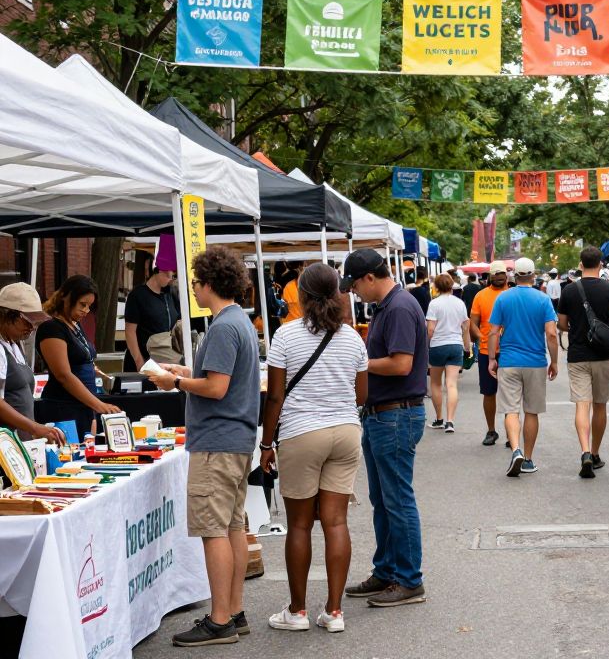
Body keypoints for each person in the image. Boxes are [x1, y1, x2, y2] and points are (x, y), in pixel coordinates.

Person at [154, 247, 261, 647]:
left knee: (213, 530)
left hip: (217, 441)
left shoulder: (221, 327)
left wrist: (176, 382)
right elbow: (222, 380)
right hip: (236, 440)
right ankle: (233, 611)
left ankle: (219, 621)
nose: (193, 289)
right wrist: (188, 372)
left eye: (196, 283)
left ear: (210, 284)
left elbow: (215, 388)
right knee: (232, 525)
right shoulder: (240, 322)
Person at [259, 263, 367, 633]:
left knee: (300, 525)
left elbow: (275, 396)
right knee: (336, 521)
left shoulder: (286, 336)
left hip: (301, 433)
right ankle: (334, 612)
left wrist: (266, 442)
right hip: (346, 432)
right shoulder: (352, 337)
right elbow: (362, 394)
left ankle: (298, 611)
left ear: (300, 296)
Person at [340, 249, 428, 607]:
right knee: (384, 500)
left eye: (355, 285)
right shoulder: (388, 307)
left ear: (370, 278)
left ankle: (408, 580)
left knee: (397, 500)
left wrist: (360, 362)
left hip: (396, 414)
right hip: (383, 413)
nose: (354, 292)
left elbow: (401, 364)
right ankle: (387, 571)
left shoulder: (400, 307)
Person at [557, 245, 609, 478]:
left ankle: (584, 450)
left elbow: (562, 324)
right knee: (600, 404)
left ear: (580, 264)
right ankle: (595, 453)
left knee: (582, 405)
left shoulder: (569, 291)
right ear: (601, 264)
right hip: (604, 354)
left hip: (577, 355)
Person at [488, 258, 557, 477]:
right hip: (535, 362)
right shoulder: (543, 299)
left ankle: (515, 448)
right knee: (531, 411)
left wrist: (491, 358)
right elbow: (552, 333)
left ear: (514, 276)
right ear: (533, 275)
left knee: (510, 409)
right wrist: (554, 361)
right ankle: (527, 458)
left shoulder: (503, 298)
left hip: (508, 361)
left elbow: (493, 331)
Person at [35, 275, 120, 441]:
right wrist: (98, 405)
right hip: (63, 407)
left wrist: (93, 408)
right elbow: (63, 375)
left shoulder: (75, 325)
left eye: (89, 306)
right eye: (82, 304)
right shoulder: (51, 328)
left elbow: (84, 359)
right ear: (66, 297)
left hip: (85, 406)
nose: (86, 311)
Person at [0, 284, 64, 444]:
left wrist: (34, 430)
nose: (32, 328)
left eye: (35, 323)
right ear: (7, 315)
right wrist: (35, 428)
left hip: (19, 442)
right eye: (28, 322)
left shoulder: (15, 343)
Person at [426, 273, 471, 432]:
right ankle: (450, 421)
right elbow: (465, 326)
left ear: (436, 287)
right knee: (452, 384)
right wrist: (467, 346)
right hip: (455, 345)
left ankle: (439, 418)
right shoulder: (460, 304)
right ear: (452, 285)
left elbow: (430, 329)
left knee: (436, 383)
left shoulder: (434, 304)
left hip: (438, 345)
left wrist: (427, 344)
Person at [470, 262, 508, 446]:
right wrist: (482, 338)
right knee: (489, 393)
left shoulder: (512, 294)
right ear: (489, 277)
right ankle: (491, 430)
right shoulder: (480, 296)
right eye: (496, 274)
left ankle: (512, 433)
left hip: (510, 351)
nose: (499, 277)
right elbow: (473, 324)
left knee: (511, 393)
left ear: (507, 275)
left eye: (502, 274)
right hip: (487, 351)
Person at [123, 263, 180, 372]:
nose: (171, 279)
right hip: (144, 359)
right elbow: (130, 332)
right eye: (169, 275)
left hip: (166, 360)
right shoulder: (137, 295)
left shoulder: (170, 294)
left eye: (173, 276)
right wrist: (139, 361)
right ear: (157, 271)